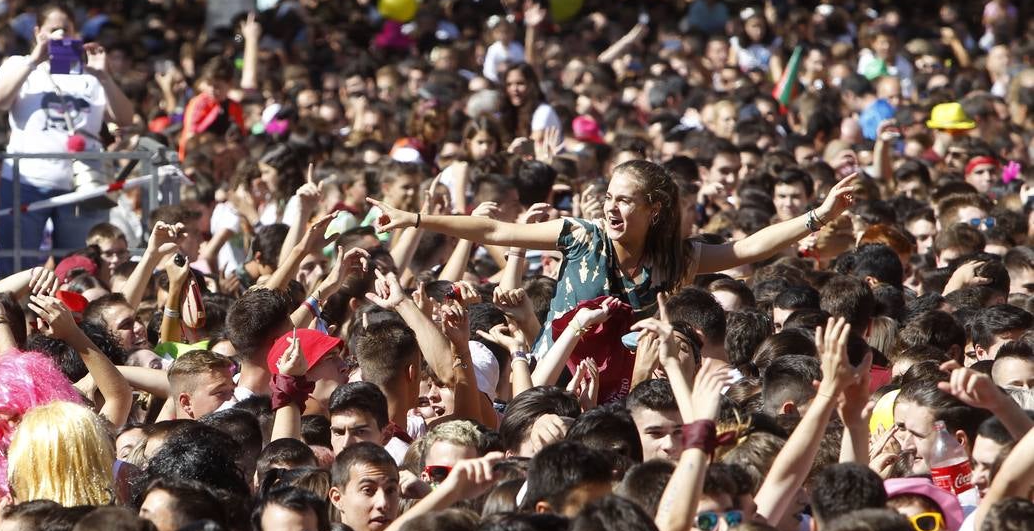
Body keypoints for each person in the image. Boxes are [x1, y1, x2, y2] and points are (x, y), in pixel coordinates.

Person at [369, 160, 862, 353]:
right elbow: (495, 227)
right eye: (609, 196)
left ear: (654, 209)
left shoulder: (678, 259)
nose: (611, 205)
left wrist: (819, 215)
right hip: (552, 372)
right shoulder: (578, 235)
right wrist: (414, 219)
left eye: (625, 199)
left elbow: (749, 247)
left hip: (624, 387)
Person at [0, 3, 135, 273]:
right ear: (37, 33)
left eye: (65, 29)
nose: (59, 35)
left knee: (78, 267)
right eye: (52, 29)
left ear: (76, 33)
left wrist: (105, 77)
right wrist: (34, 59)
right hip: (26, 182)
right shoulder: (19, 64)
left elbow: (125, 118)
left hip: (81, 185)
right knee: (17, 267)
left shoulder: (90, 75)